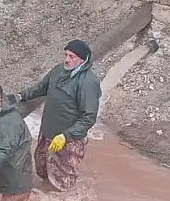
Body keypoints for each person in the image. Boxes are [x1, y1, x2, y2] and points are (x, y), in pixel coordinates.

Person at [6, 39, 102, 191]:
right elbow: (41, 88)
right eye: (66, 55)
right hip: (47, 133)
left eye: (72, 57)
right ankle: (43, 194)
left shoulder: (88, 82)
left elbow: (89, 117)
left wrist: (66, 136)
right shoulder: (58, 70)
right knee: (42, 170)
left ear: (83, 60)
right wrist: (20, 96)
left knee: (62, 182)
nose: (67, 60)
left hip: (68, 140)